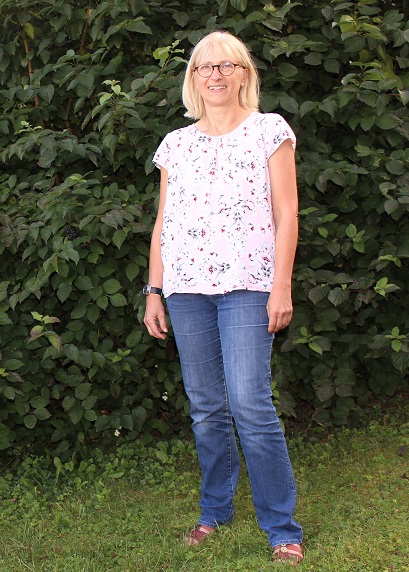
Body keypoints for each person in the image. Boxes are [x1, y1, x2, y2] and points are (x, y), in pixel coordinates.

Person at [143, 31, 304, 565]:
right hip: (187, 289)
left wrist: (281, 284)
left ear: (244, 74)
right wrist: (154, 290)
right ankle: (214, 510)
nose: (214, 75)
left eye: (226, 65)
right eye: (203, 67)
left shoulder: (269, 132)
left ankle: (281, 525)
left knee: (251, 405)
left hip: (248, 285)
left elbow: (286, 213)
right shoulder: (176, 144)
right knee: (206, 408)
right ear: (192, 79)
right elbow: (165, 223)